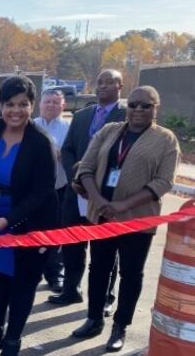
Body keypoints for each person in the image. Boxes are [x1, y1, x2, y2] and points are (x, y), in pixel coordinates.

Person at [71, 86, 179, 352]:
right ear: (126, 106)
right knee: (98, 268)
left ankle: (120, 326)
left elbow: (164, 181)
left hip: (137, 220)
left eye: (146, 105)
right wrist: (100, 201)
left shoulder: (166, 140)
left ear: (157, 107)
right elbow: (86, 167)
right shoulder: (109, 131)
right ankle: (94, 318)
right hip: (101, 216)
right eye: (133, 105)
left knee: (131, 274)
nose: (138, 110)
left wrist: (122, 205)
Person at [0, 76, 58, 356]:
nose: (15, 111)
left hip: (29, 222)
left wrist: (8, 221)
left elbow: (41, 192)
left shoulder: (41, 142)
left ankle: (13, 339)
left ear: (32, 106)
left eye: (23, 104)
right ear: (0, 104)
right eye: (9, 104)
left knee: (23, 282)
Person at [50, 70, 125, 310]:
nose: (103, 86)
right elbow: (68, 149)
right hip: (76, 193)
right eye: (100, 82)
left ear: (119, 86)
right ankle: (71, 289)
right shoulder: (82, 116)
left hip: (105, 196)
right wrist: (78, 178)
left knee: (104, 251)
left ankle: (105, 297)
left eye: (109, 82)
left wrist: (97, 185)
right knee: (72, 245)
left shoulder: (127, 116)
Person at [32, 88, 70, 293]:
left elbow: (72, 153)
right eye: (47, 102)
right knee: (33, 231)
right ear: (40, 104)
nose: (51, 105)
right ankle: (33, 272)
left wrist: (59, 153)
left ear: (63, 106)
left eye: (56, 102)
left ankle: (55, 274)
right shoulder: (31, 126)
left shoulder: (69, 127)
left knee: (56, 233)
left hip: (60, 188)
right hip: (34, 190)